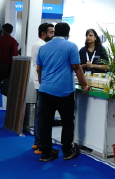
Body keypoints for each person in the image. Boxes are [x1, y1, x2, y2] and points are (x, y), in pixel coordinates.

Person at [36, 22, 89, 162]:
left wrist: (43, 84)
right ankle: (67, 151)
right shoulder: (71, 46)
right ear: (67, 33)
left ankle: (46, 153)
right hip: (64, 91)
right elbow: (76, 67)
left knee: (46, 122)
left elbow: (39, 69)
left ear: (54, 33)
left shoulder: (43, 47)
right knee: (67, 121)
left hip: (45, 90)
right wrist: (84, 85)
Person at [30, 23, 54, 154]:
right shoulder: (41, 46)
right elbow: (42, 67)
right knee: (42, 115)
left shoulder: (39, 45)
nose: (53, 35)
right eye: (51, 32)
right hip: (42, 83)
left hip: (41, 83)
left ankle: (37, 142)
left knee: (40, 114)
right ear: (43, 34)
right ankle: (40, 144)